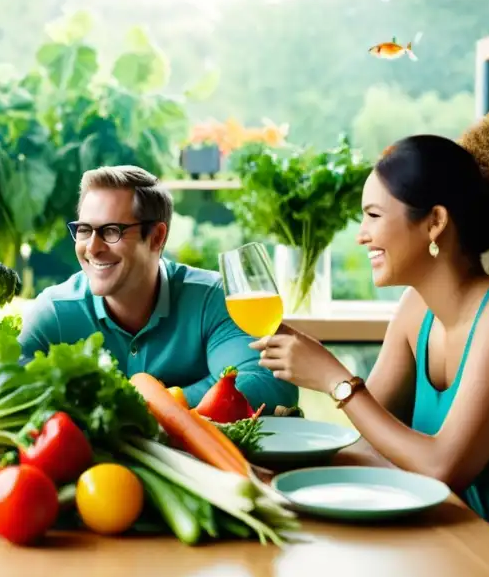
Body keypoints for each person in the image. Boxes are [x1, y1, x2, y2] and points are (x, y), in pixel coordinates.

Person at [254, 113, 489, 577]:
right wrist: (271, 453)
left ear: (435, 222)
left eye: (374, 216)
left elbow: (443, 468)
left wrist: (335, 380)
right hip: (459, 573)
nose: (361, 234)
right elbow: (377, 449)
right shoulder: (415, 310)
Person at [18, 165, 298, 412]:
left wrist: (135, 406)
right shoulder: (54, 312)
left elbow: (268, 385)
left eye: (111, 231)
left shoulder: (215, 299)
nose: (92, 247)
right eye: (84, 230)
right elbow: (12, 393)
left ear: (156, 237)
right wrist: (177, 400)